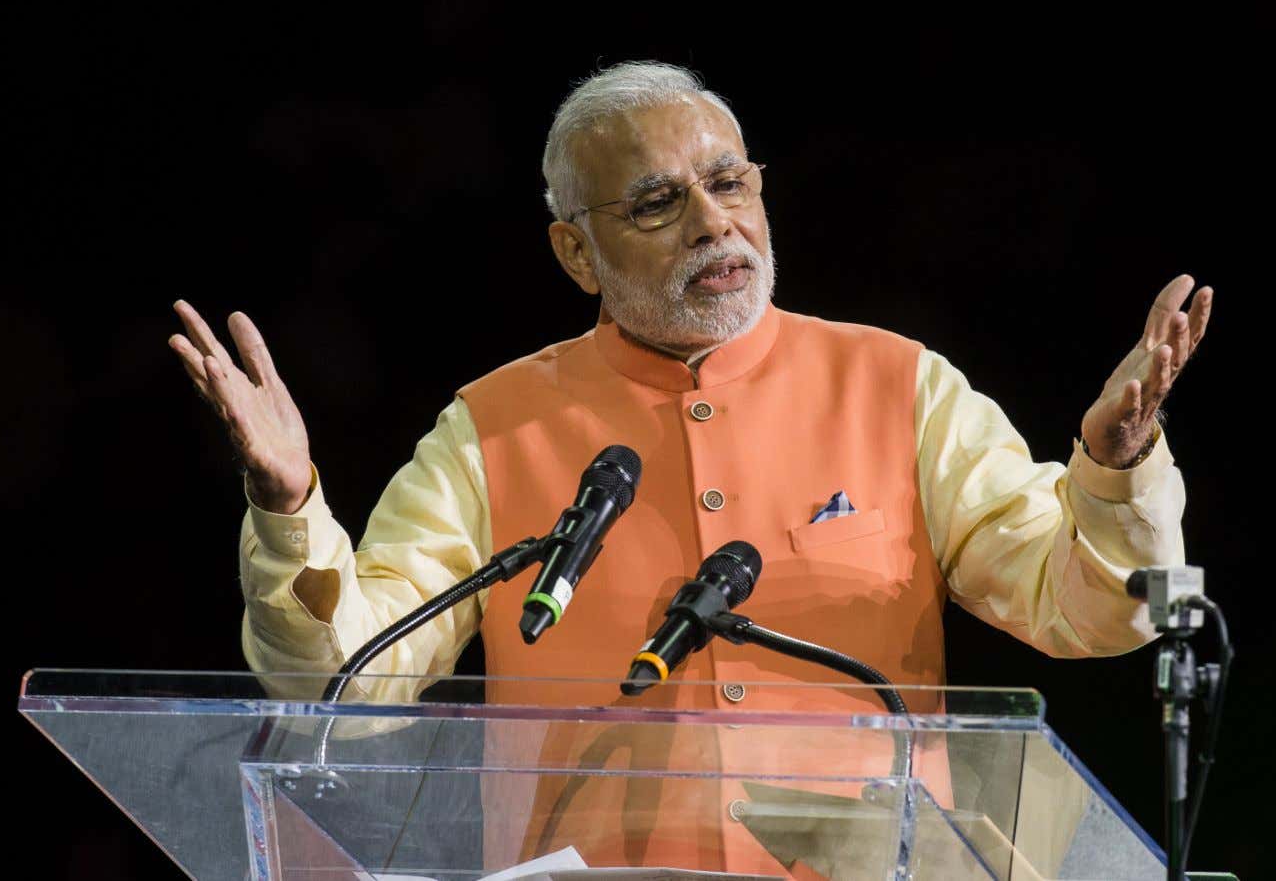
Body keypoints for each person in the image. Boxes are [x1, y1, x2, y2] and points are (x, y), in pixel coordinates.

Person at [167, 61, 1211, 872]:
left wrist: (1114, 472)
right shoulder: (492, 427)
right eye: (658, 203)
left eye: (728, 182)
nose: (715, 221)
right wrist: (290, 504)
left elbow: (1080, 608)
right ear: (576, 253)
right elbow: (350, 681)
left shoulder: (899, 387)